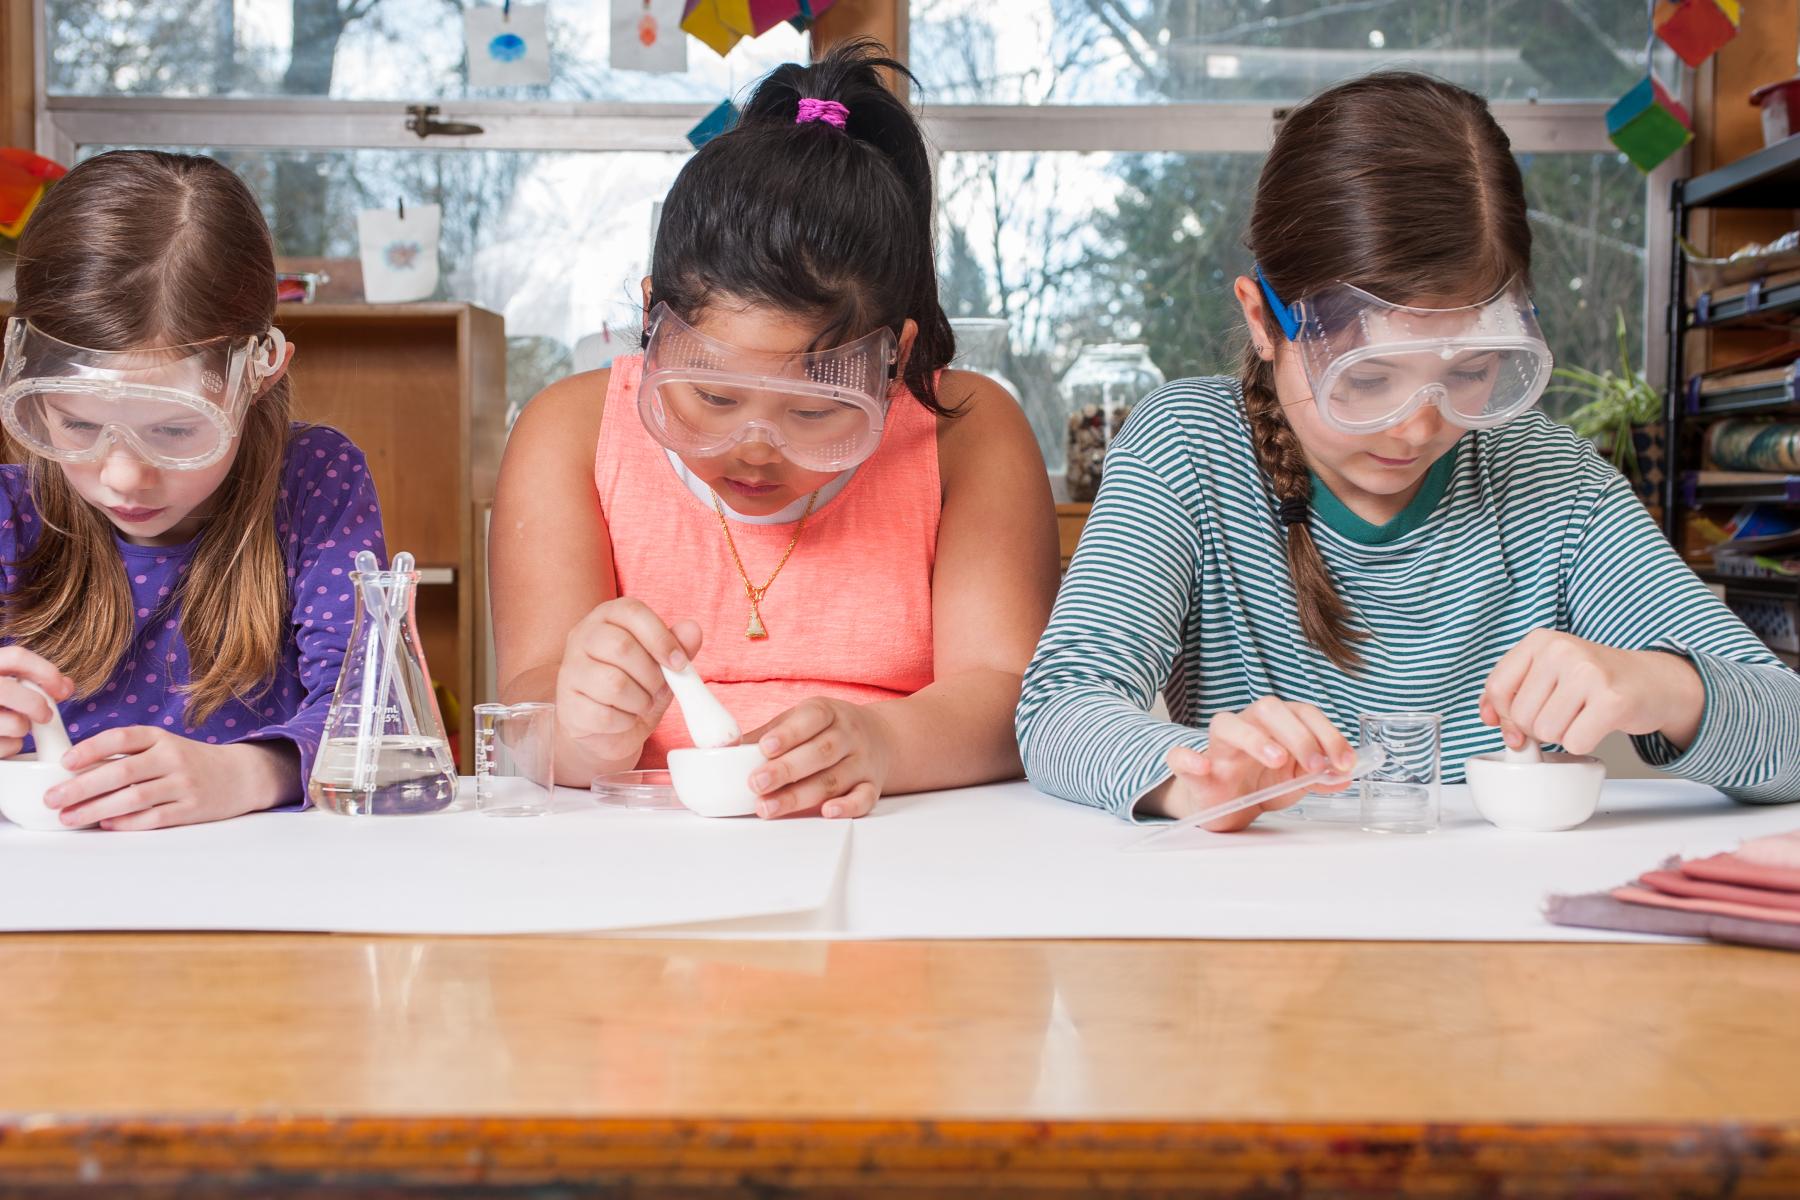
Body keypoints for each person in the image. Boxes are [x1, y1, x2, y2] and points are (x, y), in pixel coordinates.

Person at [1017, 72, 1800, 828]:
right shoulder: (1188, 449)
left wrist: (1667, 687)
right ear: (1263, 321)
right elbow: (1061, 708)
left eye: (1471, 373)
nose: (1416, 428)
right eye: (1369, 380)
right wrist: (1196, 777)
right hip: (1264, 925)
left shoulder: (1552, 483)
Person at [490, 40, 1058, 819]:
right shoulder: (570, 432)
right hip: (634, 851)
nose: (754, 448)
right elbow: (527, 717)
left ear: (894, 360)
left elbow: (1010, 701)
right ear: (655, 324)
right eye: (714, 398)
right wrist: (584, 729)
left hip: (906, 836)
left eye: (815, 410)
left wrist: (883, 744)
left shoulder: (970, 433)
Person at [0, 150, 384, 829]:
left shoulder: (315, 481)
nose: (123, 476)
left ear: (261, 372)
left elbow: (372, 712)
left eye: (176, 431)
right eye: (79, 424)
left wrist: (254, 770)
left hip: (255, 890)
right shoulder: (11, 510)